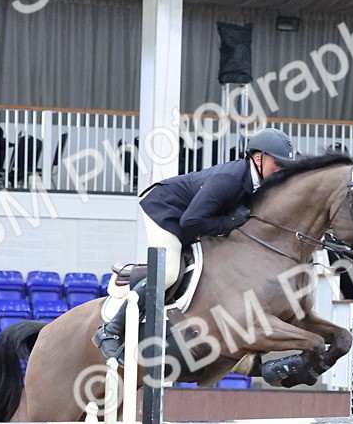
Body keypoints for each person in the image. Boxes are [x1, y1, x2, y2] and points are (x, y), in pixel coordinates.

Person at [93, 127, 297, 361]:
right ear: (258, 158)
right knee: (168, 273)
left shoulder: (257, 183)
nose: (281, 172)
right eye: (278, 165)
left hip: (194, 219)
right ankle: (111, 331)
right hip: (166, 211)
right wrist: (229, 222)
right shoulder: (229, 179)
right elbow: (190, 222)